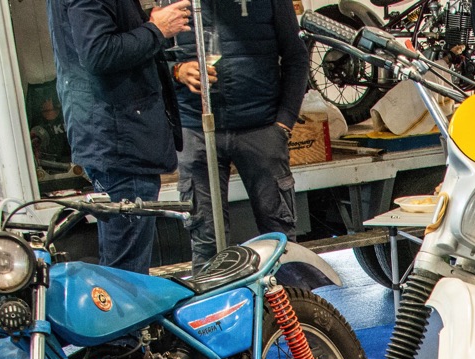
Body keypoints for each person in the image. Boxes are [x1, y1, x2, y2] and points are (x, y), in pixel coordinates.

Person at [48, 0, 190, 273]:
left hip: (115, 138)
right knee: (126, 275)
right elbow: (98, 52)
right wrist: (156, 29)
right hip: (121, 142)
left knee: (123, 270)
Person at [170, 0, 309, 265]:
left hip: (261, 128)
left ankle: (288, 293)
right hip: (196, 131)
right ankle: (213, 294)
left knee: (280, 239)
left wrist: (284, 122)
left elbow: (296, 56)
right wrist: (177, 71)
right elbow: (150, 60)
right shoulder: (173, 3)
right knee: (206, 242)